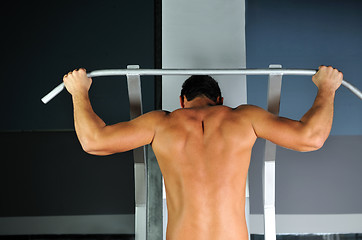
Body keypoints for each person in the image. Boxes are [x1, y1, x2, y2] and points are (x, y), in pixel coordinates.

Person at [63, 65, 343, 240]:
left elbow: (93, 141)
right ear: (220, 100)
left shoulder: (161, 123)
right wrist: (327, 88)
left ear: (182, 101)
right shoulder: (244, 118)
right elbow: (312, 137)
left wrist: (78, 91)